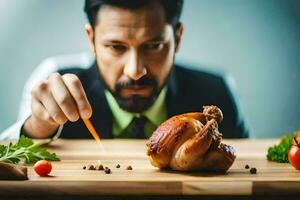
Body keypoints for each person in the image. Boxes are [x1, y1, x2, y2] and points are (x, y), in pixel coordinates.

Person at [0, 0, 248, 140]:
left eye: (154, 46)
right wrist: (38, 128)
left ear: (178, 38)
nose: (135, 71)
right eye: (116, 47)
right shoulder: (52, 79)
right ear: (91, 40)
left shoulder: (217, 92)